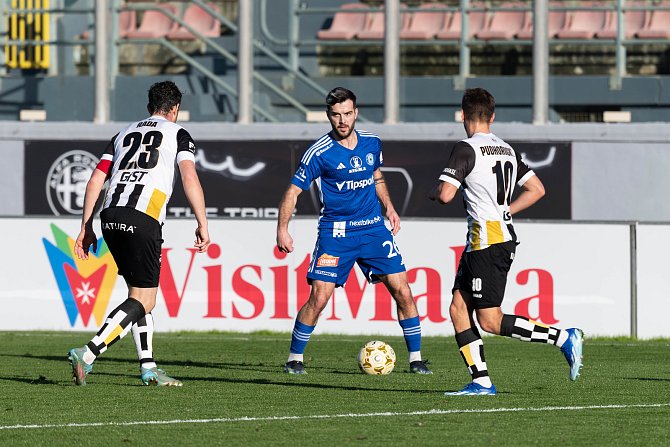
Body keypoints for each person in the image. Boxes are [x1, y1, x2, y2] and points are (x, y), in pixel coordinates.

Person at [429, 87, 583, 396]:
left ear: (463, 115)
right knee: (459, 308)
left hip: (488, 242)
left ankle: (563, 337)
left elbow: (446, 195)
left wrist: (435, 191)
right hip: (491, 239)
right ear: (492, 116)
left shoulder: (466, 148)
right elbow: (537, 189)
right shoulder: (505, 149)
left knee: (489, 320)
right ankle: (481, 381)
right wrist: (506, 210)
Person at [276, 87, 431, 375]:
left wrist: (390, 207)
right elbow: (292, 192)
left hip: (373, 230)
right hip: (336, 235)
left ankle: (417, 360)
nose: (342, 120)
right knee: (319, 298)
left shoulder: (372, 143)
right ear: (328, 116)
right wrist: (282, 229)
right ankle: (294, 358)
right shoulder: (318, 153)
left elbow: (377, 176)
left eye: (347, 114)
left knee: (403, 291)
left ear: (356, 113)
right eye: (336, 115)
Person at [67, 81, 210, 386]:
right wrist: (202, 222)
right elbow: (189, 177)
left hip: (109, 215)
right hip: (143, 216)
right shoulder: (178, 134)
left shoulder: (122, 134)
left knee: (138, 294)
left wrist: (85, 227)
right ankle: (88, 353)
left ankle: (148, 366)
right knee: (146, 299)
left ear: (149, 107)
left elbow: (96, 179)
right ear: (175, 109)